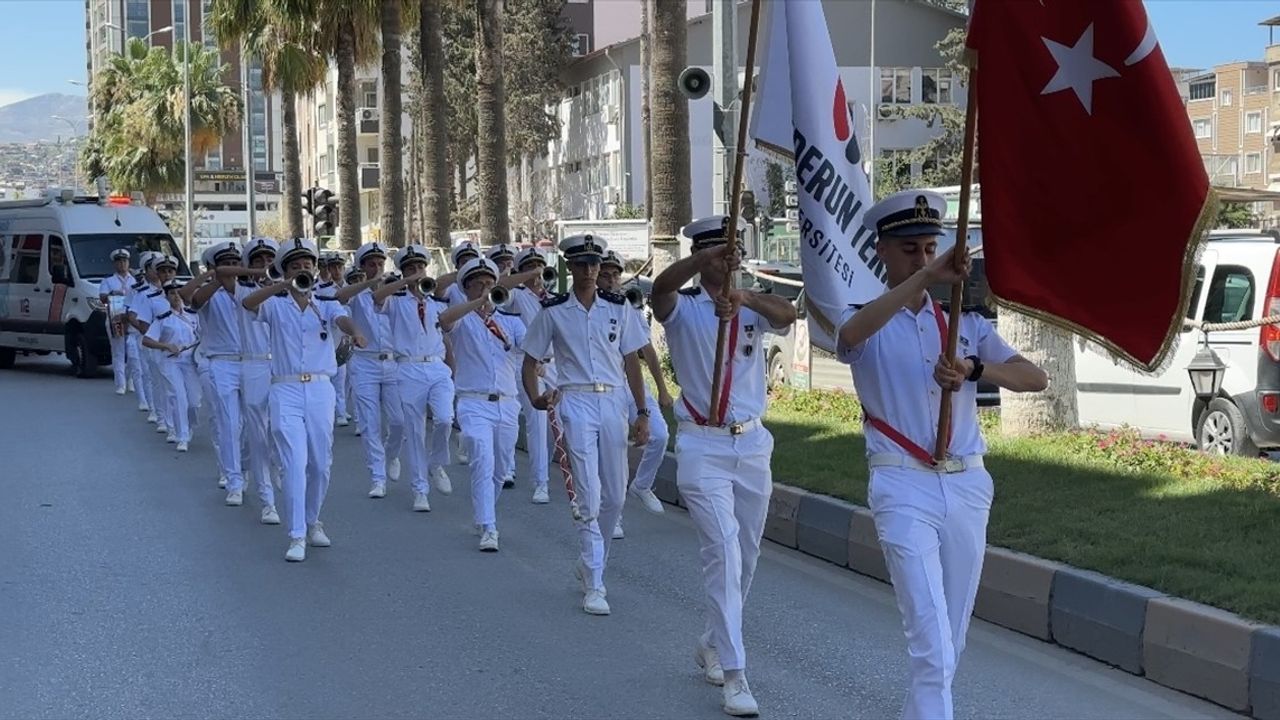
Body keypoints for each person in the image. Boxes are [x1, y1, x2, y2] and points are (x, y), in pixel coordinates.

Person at [835, 189, 1048, 720]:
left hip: (967, 484)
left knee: (949, 642)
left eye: (931, 249)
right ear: (880, 249)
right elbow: (848, 337)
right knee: (930, 642)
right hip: (902, 483)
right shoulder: (869, 318)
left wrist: (977, 370)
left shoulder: (965, 323)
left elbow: (1034, 377)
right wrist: (924, 281)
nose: (924, 258)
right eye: (911, 250)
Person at [649, 216, 797, 718]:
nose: (725, 262)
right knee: (724, 552)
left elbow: (789, 314)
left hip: (752, 444)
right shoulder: (685, 308)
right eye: (716, 255)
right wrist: (696, 263)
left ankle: (712, 640)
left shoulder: (751, 304)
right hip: (701, 445)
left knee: (748, 554)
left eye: (730, 254)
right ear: (703, 258)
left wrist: (747, 299)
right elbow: (659, 291)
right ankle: (735, 674)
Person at [520, 234, 651, 616]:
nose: (590, 271)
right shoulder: (554, 311)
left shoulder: (618, 307)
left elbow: (632, 360)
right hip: (574, 398)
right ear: (569, 268)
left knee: (616, 495)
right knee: (589, 493)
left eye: (595, 264)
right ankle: (595, 581)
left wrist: (641, 412)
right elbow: (530, 361)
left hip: (612, 398)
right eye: (582, 264)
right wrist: (534, 398)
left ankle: (594, 560)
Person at [241, 238, 367, 562]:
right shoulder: (275, 304)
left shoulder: (324, 303)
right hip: (285, 388)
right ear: (285, 270)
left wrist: (354, 331)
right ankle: (296, 534)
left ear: (315, 268)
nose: (302, 270)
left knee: (320, 464)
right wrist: (282, 284)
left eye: (306, 266)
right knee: (294, 461)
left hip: (321, 389)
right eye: (295, 266)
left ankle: (313, 521)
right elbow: (249, 303)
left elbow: (343, 319)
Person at [438, 257, 526, 551]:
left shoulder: (511, 321)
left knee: (500, 471)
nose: (486, 289)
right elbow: (444, 320)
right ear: (467, 289)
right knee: (482, 461)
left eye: (490, 284)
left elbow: (530, 347)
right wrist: (476, 304)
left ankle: (483, 512)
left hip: (507, 402)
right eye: (479, 285)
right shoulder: (462, 319)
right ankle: (489, 527)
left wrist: (538, 364)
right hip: (473, 402)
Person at [370, 244, 456, 511]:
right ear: (403, 272)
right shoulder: (394, 302)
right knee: (415, 431)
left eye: (420, 268)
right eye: (410, 269)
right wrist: (405, 282)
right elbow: (376, 298)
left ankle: (437, 462)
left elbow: (449, 326)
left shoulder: (438, 301)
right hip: (407, 369)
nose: (417, 273)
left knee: (445, 419)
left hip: (436, 368)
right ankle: (420, 489)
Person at [596, 249, 673, 539]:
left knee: (661, 435)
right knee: (612, 450)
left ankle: (642, 485)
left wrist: (663, 389)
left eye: (616, 275)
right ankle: (611, 514)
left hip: (632, 383)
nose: (612, 280)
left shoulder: (629, 309)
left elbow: (646, 351)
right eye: (606, 274)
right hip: (607, 386)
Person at [337, 242, 406, 496]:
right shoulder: (355, 292)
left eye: (380, 263)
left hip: (393, 362)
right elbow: (340, 298)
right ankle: (377, 476)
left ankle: (392, 454)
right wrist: (370, 282)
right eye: (372, 264)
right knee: (369, 421)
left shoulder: (397, 292)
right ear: (363, 267)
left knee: (398, 420)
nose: (377, 268)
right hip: (365, 362)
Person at [507, 247, 560, 505]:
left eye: (540, 265)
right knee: (536, 423)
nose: (538, 271)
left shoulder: (553, 298)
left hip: (553, 365)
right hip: (525, 362)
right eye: (531, 267)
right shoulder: (515, 295)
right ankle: (540, 482)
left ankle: (544, 470)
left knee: (556, 424)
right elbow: (499, 286)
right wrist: (524, 275)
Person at [141, 281, 203, 452]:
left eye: (178, 293)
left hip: (190, 361)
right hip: (170, 361)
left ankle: (189, 426)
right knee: (178, 396)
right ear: (167, 297)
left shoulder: (193, 316)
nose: (176, 296)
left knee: (194, 401)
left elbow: (202, 336)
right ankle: (181, 436)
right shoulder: (163, 319)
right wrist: (166, 346)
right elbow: (146, 340)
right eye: (172, 294)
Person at [131, 254, 179, 439]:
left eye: (170, 271)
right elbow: (140, 322)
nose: (167, 274)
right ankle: (165, 420)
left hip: (180, 348)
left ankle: (180, 422)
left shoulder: (182, 292)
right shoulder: (146, 295)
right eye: (163, 271)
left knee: (178, 388)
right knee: (161, 384)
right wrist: (157, 339)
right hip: (157, 346)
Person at [317, 253, 353, 428]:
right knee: (336, 376)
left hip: (349, 337)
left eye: (340, 267)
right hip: (331, 337)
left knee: (346, 380)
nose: (337, 271)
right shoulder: (322, 290)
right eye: (334, 267)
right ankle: (337, 411)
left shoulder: (352, 287)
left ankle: (341, 408)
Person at [98, 248, 134, 395]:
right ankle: (120, 383)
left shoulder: (135, 280)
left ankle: (132, 380)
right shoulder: (109, 281)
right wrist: (112, 294)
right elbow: (102, 297)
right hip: (116, 316)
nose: (122, 264)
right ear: (114, 264)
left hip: (132, 317)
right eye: (119, 261)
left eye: (124, 261)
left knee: (133, 351)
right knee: (118, 351)